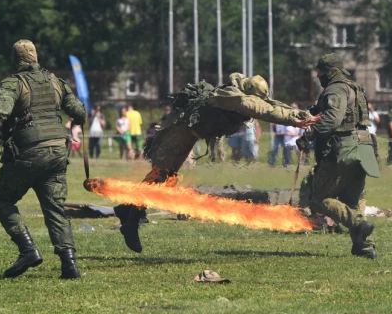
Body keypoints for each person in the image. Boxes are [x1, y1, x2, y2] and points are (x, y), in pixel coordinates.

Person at [115, 73, 319, 253]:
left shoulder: (243, 96)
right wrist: (294, 121)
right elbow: (261, 109)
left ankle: (126, 209)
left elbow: (272, 105)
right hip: (176, 132)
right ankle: (131, 223)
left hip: (187, 135)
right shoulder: (232, 97)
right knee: (159, 178)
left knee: (166, 178)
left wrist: (304, 116)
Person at [0, 40, 86, 279]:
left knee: (1, 199)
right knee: (55, 209)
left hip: (29, 152)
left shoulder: (14, 82)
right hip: (58, 152)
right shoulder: (56, 81)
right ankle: (69, 264)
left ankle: (28, 250)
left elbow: (2, 109)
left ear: (16, 58)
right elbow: (79, 113)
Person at [297, 53, 379, 259]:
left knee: (319, 198)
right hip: (363, 147)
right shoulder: (354, 87)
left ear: (330, 71)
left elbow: (333, 119)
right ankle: (365, 246)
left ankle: (359, 225)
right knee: (351, 201)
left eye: (321, 71)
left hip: (342, 149)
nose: (318, 75)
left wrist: (310, 135)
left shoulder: (335, 89)